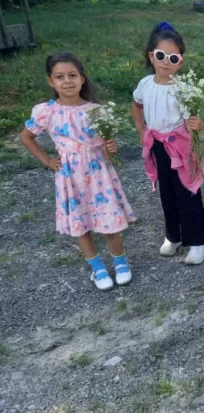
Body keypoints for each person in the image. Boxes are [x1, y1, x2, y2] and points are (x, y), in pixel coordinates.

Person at [20, 52, 135, 290]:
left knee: (108, 220)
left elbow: (107, 148)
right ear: (51, 81)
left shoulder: (96, 111)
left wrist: (110, 148)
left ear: (82, 79)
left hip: (98, 174)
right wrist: (47, 160)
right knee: (80, 224)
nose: (67, 81)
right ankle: (97, 267)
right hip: (70, 177)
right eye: (60, 77)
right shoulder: (47, 112)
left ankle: (120, 263)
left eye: (72, 75)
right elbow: (26, 137)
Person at [132, 22, 204, 263]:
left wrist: (198, 124)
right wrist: (141, 128)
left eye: (173, 58)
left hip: (180, 148)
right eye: (160, 56)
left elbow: (194, 121)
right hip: (158, 145)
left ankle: (197, 242)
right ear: (151, 56)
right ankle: (173, 236)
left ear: (180, 62)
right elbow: (136, 104)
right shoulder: (145, 84)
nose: (166, 62)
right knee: (166, 190)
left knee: (187, 190)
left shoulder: (183, 90)